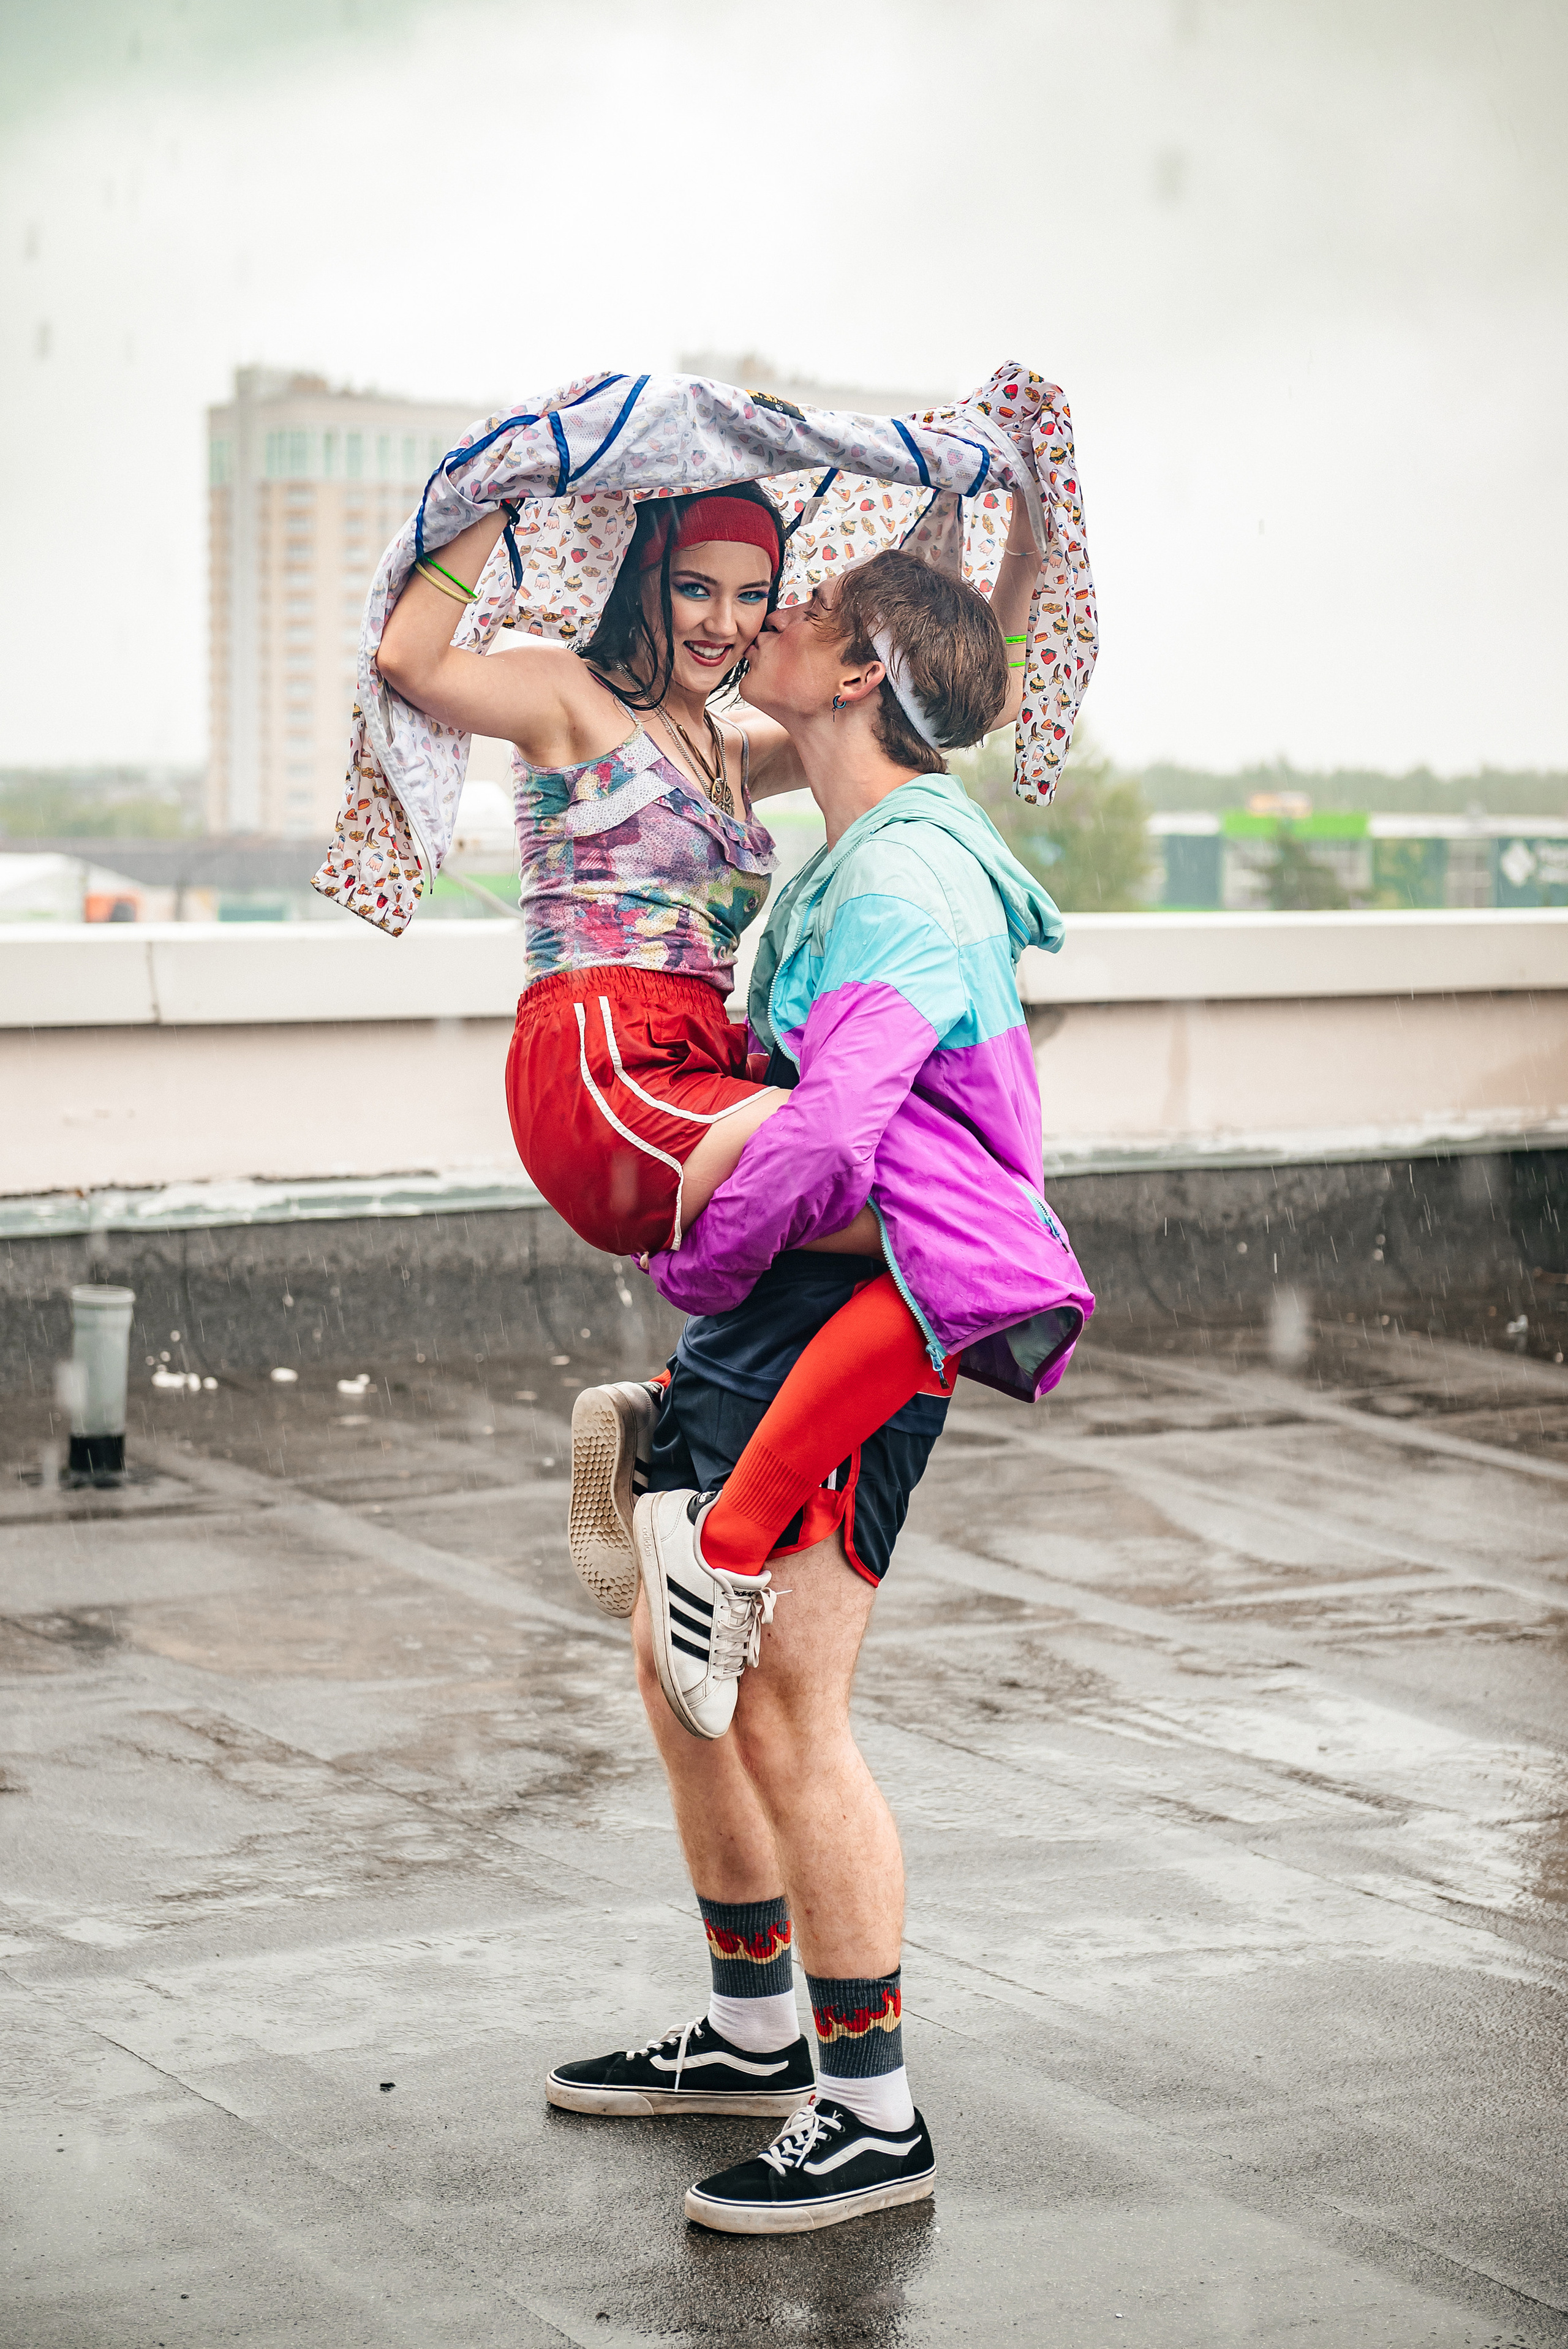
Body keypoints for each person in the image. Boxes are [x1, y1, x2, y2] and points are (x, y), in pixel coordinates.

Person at [546, 547, 1092, 2234]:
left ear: (859, 672)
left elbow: (840, 1133)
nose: (765, 616)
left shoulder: (903, 879)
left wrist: (699, 1252)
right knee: (682, 1672)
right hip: (790, 1303)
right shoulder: (855, 846)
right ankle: (751, 2031)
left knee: (786, 1700)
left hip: (852, 1308)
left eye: (800, 610)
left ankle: (869, 2114)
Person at [375, 481, 1060, 1733]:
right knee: (949, 1238)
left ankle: (668, 1410)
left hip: (698, 1058)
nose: (725, 621)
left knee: (929, 1235)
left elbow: (935, 704)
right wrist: (502, 488)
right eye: (696, 587)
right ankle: (715, 1524)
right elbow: (410, 662)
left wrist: (1012, 533)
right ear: (644, 578)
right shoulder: (573, 699)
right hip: (603, 1068)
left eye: (753, 596)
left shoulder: (729, 748)